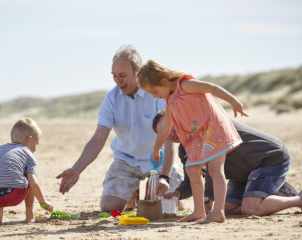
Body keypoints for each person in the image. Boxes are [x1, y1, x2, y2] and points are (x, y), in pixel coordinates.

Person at [56, 45, 182, 212]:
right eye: (114, 76)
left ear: (137, 71)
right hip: (126, 160)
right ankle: (132, 192)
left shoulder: (157, 94)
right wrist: (76, 169)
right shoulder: (111, 99)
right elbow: (98, 138)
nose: (117, 80)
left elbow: (169, 141)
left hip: (158, 161)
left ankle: (149, 190)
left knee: (172, 207)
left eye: (122, 75)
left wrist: (165, 176)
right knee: (109, 207)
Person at [137, 60, 248, 223]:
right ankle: (199, 211)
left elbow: (211, 87)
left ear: (163, 81)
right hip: (198, 135)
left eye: (154, 91)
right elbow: (166, 126)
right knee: (192, 168)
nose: (155, 96)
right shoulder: (169, 100)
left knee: (215, 169)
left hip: (213, 127)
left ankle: (218, 212)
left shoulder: (185, 85)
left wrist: (234, 102)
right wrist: (156, 149)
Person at [153, 111, 302, 217]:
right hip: (242, 173)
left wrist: (207, 199)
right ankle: (272, 190)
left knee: (251, 208)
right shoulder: (184, 150)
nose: (170, 135)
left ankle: (297, 200)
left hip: (270, 158)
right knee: (228, 208)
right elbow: (191, 181)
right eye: (164, 134)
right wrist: (177, 194)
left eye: (170, 128)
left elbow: (213, 170)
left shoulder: (204, 128)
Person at [0, 117, 53, 225]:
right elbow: (34, 183)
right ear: (29, 140)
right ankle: (29, 215)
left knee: (3, 175)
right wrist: (43, 202)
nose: (35, 149)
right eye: (36, 143)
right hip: (13, 195)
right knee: (29, 178)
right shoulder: (29, 154)